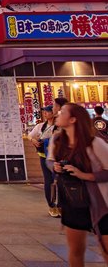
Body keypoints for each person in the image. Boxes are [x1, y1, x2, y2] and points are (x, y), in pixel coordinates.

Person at [48, 102, 108, 267]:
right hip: (73, 202)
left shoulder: (95, 143)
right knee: (76, 250)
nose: (57, 113)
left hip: (101, 204)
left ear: (73, 119)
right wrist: (55, 166)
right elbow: (50, 161)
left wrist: (85, 175)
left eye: (62, 112)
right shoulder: (57, 140)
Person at [29, 105, 59, 217]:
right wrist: (33, 141)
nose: (45, 114)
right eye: (44, 112)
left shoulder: (59, 126)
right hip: (44, 157)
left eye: (47, 112)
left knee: (59, 181)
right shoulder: (41, 126)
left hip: (58, 158)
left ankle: (60, 205)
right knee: (48, 181)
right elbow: (30, 135)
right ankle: (52, 205)